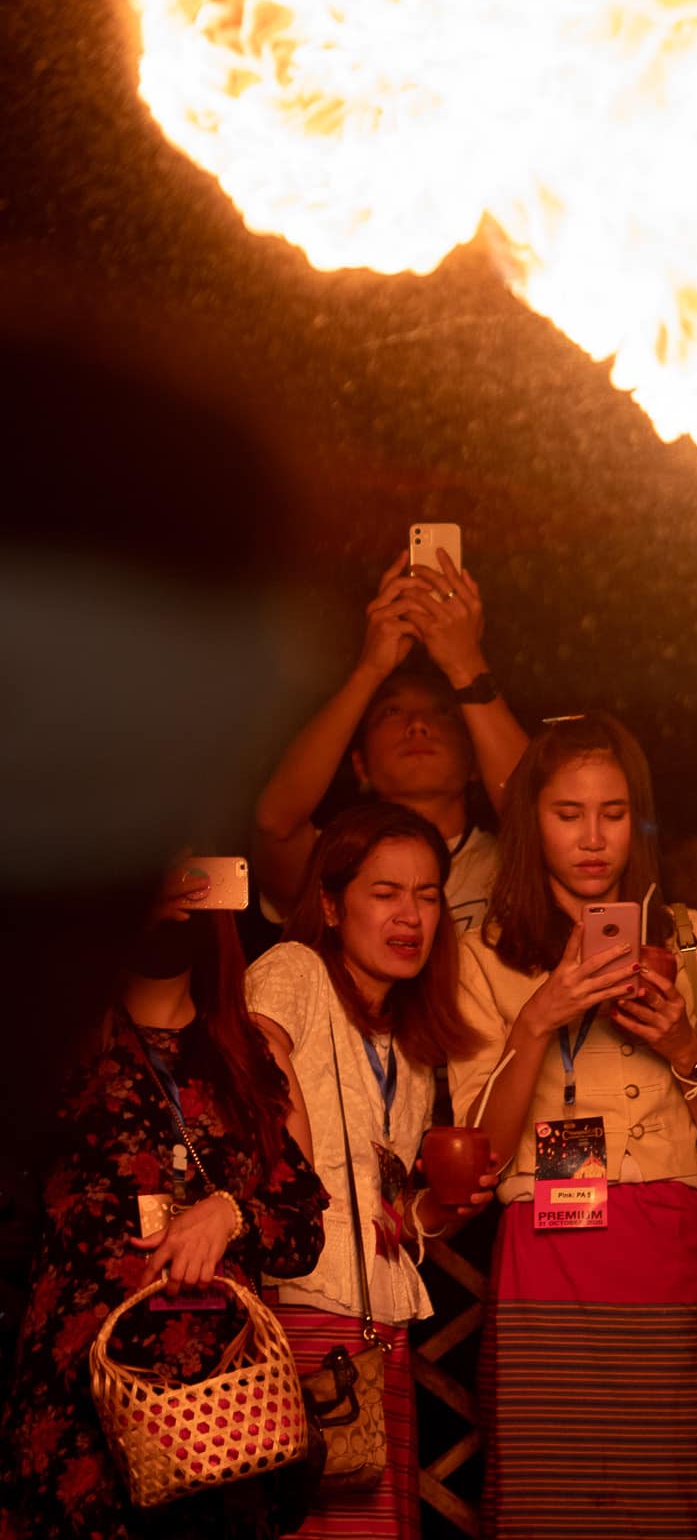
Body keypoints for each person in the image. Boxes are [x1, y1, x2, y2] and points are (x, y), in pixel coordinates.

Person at [448, 712, 697, 1539]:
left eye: (613, 814)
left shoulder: (692, 942)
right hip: (546, 1250)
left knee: (665, 1499)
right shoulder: (483, 953)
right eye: (567, 814)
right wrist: (537, 1019)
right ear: (529, 821)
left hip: (667, 1244)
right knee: (549, 1503)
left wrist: (683, 1044)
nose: (592, 838)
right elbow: (478, 1150)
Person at [0, 871, 328, 1540]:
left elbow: (301, 1229)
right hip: (79, 1399)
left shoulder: (249, 1055)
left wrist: (231, 1213)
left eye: (189, 874)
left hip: (220, 1409)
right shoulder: (57, 1042)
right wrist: (114, 907)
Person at [247, 802, 493, 1539]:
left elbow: (385, 1208)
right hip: (297, 1309)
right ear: (330, 902)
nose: (410, 916)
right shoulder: (295, 970)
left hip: (375, 1326)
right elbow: (256, 1053)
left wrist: (441, 1211)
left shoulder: (412, 1045)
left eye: (426, 896)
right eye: (385, 894)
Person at [252, 551, 531, 936]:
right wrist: (370, 670)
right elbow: (274, 825)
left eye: (442, 713)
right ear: (361, 765)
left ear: (474, 764)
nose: (418, 725)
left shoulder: (514, 867)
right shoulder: (337, 866)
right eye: (392, 713)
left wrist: (466, 664)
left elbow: (543, 816)